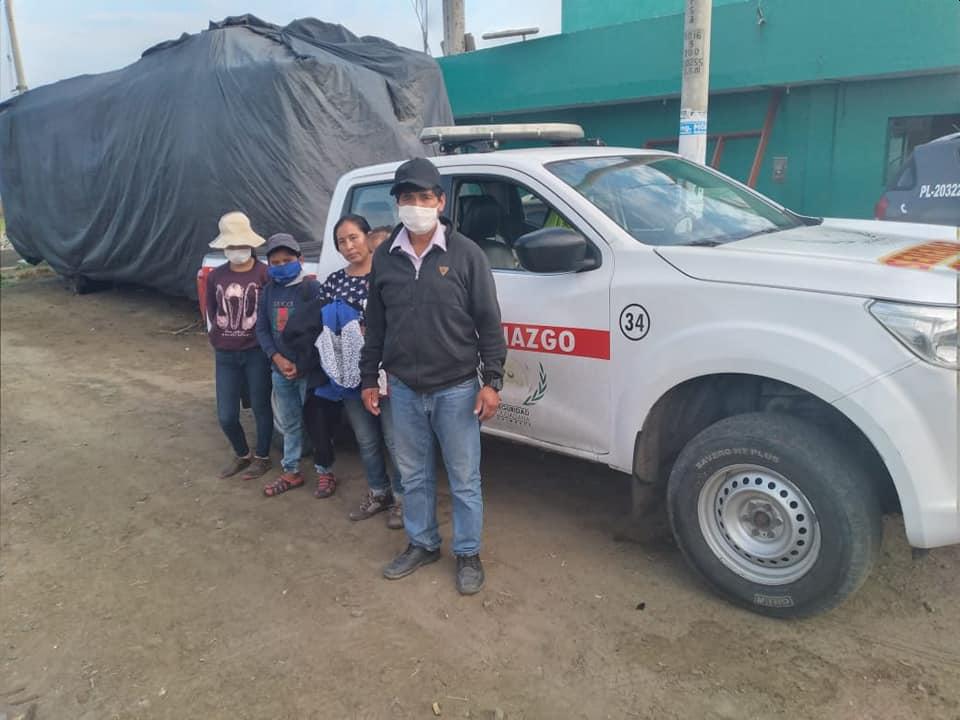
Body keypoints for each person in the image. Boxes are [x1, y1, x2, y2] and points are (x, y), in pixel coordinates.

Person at [360, 157, 507, 595]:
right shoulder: (385, 257)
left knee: (464, 479)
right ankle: (422, 543)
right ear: (398, 204)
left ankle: (467, 553)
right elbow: (376, 323)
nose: (417, 206)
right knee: (414, 475)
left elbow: (489, 321)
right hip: (404, 387)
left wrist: (492, 381)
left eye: (425, 197)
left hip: (457, 388)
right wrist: (370, 377)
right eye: (408, 198)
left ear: (440, 201)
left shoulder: (466, 255)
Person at [320, 214, 404, 528]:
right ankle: (378, 493)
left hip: (387, 373)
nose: (349, 246)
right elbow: (325, 329)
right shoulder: (333, 281)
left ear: (368, 238)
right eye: (342, 241)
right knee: (366, 439)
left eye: (354, 237)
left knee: (395, 440)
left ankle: (403, 500)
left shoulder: (388, 276)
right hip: (349, 375)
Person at [205, 211, 273, 481]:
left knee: (260, 406)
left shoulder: (265, 273)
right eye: (230, 246)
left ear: (251, 244)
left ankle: (263, 457)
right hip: (225, 354)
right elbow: (212, 309)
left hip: (256, 351)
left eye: (239, 245)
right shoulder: (216, 276)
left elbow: (268, 312)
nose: (236, 250)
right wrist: (219, 337)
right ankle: (242, 453)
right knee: (226, 415)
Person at [255, 233, 323, 497]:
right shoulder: (269, 290)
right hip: (280, 369)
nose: (282, 265)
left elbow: (320, 332)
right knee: (290, 422)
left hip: (307, 370)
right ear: (269, 265)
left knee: (318, 422)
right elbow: (262, 329)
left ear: (301, 259)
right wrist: (277, 358)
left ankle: (324, 470)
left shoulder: (311, 289)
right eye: (275, 261)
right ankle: (291, 470)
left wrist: (301, 365)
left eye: (287, 260)